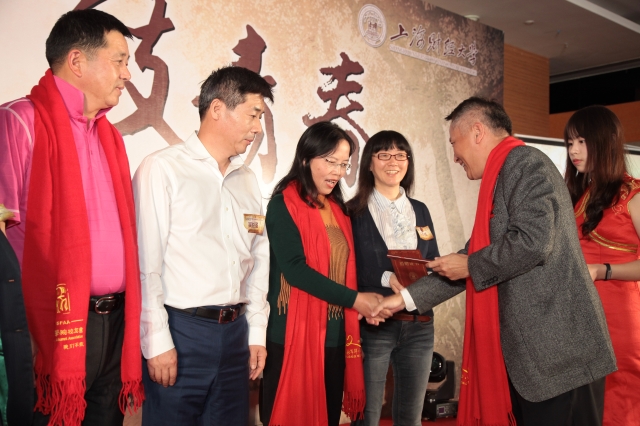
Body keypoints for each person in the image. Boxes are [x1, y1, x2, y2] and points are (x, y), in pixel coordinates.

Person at [374, 97, 616, 426]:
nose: (455, 156)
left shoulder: (526, 164)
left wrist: (470, 265)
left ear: (477, 132)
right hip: (536, 359)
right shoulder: (503, 174)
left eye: (454, 143)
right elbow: (473, 256)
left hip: (560, 356)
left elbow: (533, 242)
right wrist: (402, 300)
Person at [0, 9, 143, 426]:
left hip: (113, 323)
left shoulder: (109, 135)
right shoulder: (19, 121)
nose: (127, 74)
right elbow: (4, 236)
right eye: (119, 61)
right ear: (77, 61)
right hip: (49, 326)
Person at [134, 66, 272, 425]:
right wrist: (156, 340)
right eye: (253, 115)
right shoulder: (162, 169)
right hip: (182, 332)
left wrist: (256, 332)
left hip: (236, 334)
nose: (258, 128)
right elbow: (145, 264)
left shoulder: (248, 180)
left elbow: (258, 261)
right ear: (217, 109)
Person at [260, 121, 386, 426]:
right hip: (289, 333)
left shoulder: (338, 210)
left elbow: (344, 272)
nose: (338, 172)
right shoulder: (282, 204)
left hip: (334, 335)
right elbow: (295, 271)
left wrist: (366, 304)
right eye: (330, 161)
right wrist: (356, 300)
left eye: (343, 164)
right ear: (306, 158)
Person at [347, 131, 439, 425]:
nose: (393, 162)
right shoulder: (353, 211)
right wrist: (388, 277)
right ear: (369, 163)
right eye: (384, 155)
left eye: (401, 155)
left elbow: (431, 260)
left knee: (411, 417)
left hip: (419, 324)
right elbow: (348, 266)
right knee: (368, 415)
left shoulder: (420, 210)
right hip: (375, 323)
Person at [564, 105, 640, 425]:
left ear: (606, 141)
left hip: (620, 312)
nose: (573, 151)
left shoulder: (632, 193)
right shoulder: (578, 195)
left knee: (620, 398)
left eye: (582, 141)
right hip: (582, 311)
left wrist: (602, 270)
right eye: (570, 143)